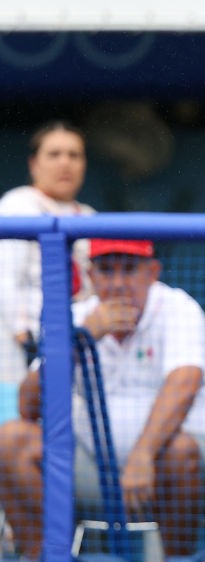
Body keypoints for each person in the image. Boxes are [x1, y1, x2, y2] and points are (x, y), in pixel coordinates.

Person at [0, 239, 205, 560]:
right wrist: (77, 344)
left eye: (130, 269)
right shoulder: (78, 316)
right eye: (107, 271)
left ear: (152, 272)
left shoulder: (178, 308)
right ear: (92, 276)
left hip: (182, 473)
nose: (119, 283)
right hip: (97, 474)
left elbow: (185, 382)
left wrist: (143, 454)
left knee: (179, 452)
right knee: (11, 439)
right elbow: (28, 406)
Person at [0, 121, 95, 398]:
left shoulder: (89, 216)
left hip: (74, 340)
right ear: (34, 164)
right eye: (54, 155)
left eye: (74, 155)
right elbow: (5, 280)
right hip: (17, 345)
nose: (65, 163)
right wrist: (24, 336)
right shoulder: (17, 206)